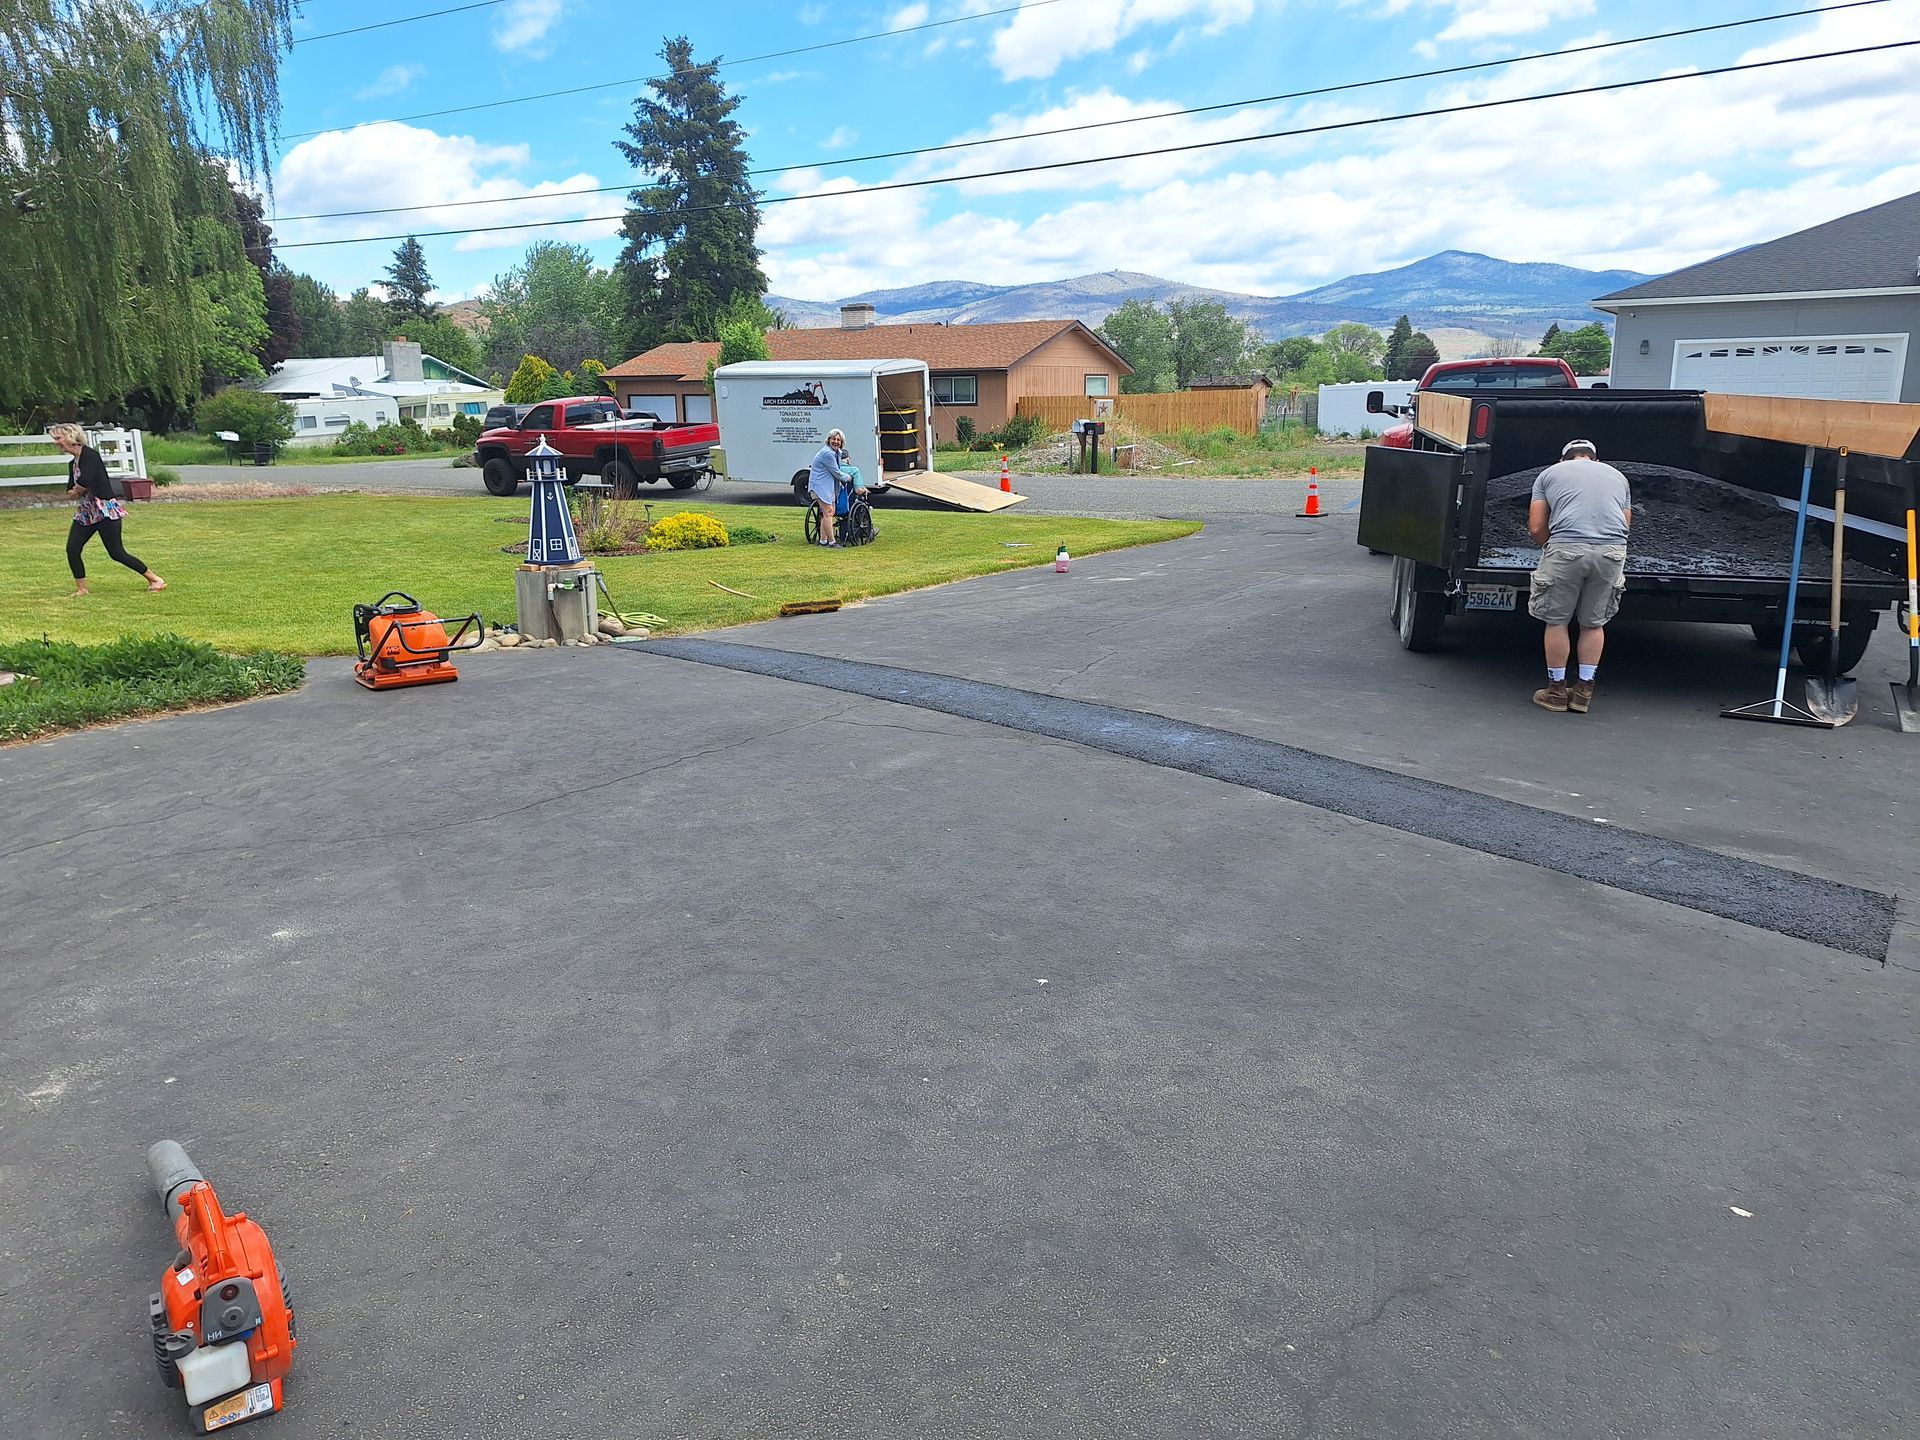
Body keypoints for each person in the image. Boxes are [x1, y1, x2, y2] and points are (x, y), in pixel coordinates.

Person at [1528, 438, 1630, 713]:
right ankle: (1584, 691)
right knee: (1594, 623)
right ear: (1595, 459)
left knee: (1557, 620)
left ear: (1563, 459)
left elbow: (1537, 527)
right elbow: (1626, 523)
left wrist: (1552, 546)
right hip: (1612, 552)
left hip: (1566, 548)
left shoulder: (1550, 473)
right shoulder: (1618, 476)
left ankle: (1556, 691)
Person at [53, 422, 166, 597]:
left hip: (105, 510)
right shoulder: (72, 463)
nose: (56, 442)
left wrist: (77, 489)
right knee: (72, 549)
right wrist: (75, 490)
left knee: (116, 552)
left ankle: (155, 579)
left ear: (70, 437)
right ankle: (82, 589)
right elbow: (72, 488)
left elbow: (86, 480)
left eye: (58, 438)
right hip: (86, 513)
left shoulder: (90, 456)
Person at [807, 429, 851, 548]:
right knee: (828, 513)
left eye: (838, 440)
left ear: (841, 442)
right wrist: (848, 477)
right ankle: (832, 542)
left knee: (829, 512)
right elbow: (836, 472)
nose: (836, 442)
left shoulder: (837, 452)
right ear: (829, 440)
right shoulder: (828, 453)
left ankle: (823, 541)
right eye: (833, 439)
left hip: (828, 486)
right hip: (820, 486)